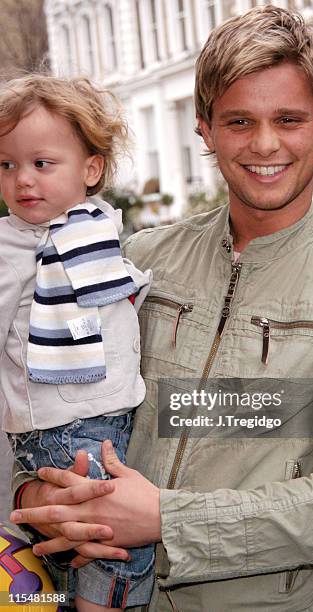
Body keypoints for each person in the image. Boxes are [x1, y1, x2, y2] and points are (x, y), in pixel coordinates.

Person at [10, 6, 313, 612]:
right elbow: (40, 393)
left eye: (290, 119)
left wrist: (167, 518)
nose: (265, 143)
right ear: (205, 128)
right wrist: (34, 491)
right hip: (95, 589)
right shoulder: (135, 262)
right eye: (240, 121)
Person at [0, 74, 155, 611]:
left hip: (102, 417)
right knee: (113, 542)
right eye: (7, 164)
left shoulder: (88, 228)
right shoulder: (15, 247)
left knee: (87, 541)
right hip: (69, 426)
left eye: (41, 163)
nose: (22, 179)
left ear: (90, 169)